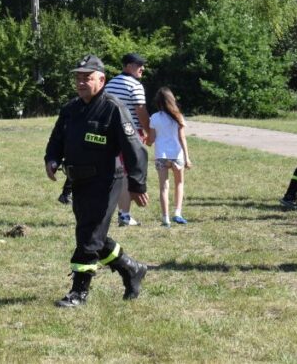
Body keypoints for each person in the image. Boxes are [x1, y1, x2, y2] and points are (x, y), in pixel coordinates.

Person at [45, 54, 149, 308]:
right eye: (78, 78)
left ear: (101, 80)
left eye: (87, 78)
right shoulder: (71, 109)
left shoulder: (113, 108)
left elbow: (134, 148)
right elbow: (57, 138)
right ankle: (131, 268)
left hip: (106, 181)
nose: (81, 83)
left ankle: (78, 291)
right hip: (78, 181)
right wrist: (51, 159)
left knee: (88, 236)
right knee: (95, 235)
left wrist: (137, 185)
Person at [104, 52, 151, 227]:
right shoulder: (135, 86)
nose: (142, 68)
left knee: (117, 173)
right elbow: (141, 112)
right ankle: (124, 215)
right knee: (127, 174)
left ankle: (118, 211)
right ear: (129, 66)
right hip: (130, 133)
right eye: (139, 65)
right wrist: (149, 132)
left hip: (111, 133)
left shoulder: (110, 84)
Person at [150, 87, 192, 226]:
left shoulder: (154, 117)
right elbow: (182, 138)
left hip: (161, 155)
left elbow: (151, 139)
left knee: (163, 187)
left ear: (158, 102)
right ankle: (177, 213)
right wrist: (187, 157)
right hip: (176, 154)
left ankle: (165, 218)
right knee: (179, 183)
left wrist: (146, 140)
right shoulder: (177, 116)